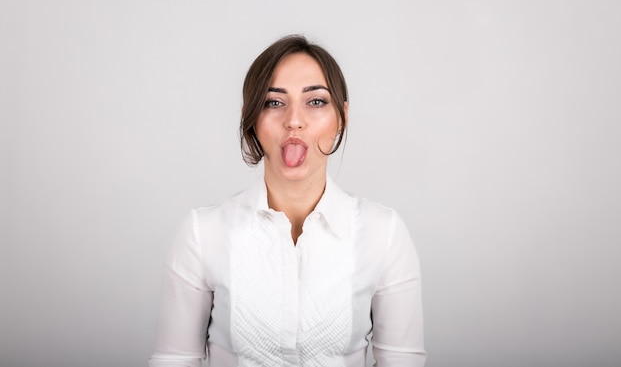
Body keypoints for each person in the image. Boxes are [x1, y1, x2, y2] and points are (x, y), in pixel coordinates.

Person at [149, 35, 426, 367]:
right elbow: (174, 361)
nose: (294, 120)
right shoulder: (201, 233)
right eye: (274, 102)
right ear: (251, 117)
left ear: (342, 117)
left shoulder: (385, 234)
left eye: (316, 101)